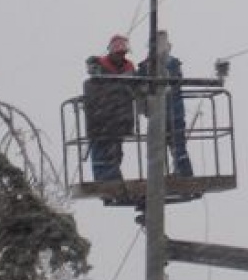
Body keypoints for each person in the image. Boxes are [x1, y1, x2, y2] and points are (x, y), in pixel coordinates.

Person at [138, 30, 194, 177]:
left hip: (174, 112)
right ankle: (159, 177)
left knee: (178, 147)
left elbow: (175, 82)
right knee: (157, 149)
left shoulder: (173, 64)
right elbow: (140, 87)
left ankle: (183, 174)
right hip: (157, 114)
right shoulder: (146, 66)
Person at [83, 34, 136, 181]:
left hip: (118, 122)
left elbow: (135, 88)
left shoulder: (128, 69)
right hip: (101, 123)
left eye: (122, 53)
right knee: (102, 155)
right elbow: (100, 92)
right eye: (118, 53)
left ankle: (113, 183)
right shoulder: (99, 70)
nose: (120, 56)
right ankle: (107, 183)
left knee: (115, 154)